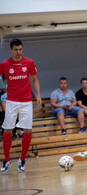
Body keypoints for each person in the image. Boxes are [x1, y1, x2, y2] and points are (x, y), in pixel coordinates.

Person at [0, 38, 42, 172]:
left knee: (28, 130)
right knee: (7, 130)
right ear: (11, 50)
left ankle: (22, 158)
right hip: (11, 101)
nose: (18, 52)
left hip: (26, 101)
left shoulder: (29, 62)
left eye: (20, 49)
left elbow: (35, 79)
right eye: (16, 50)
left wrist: (38, 95)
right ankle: (6, 160)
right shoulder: (4, 64)